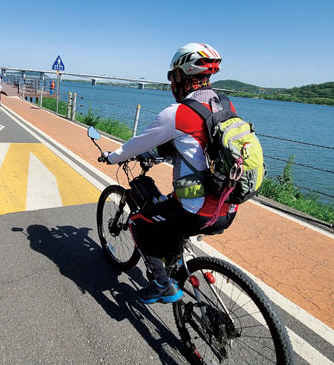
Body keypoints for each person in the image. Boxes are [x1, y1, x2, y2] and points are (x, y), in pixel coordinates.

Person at [101, 43, 239, 304]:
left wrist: (113, 157)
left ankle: (163, 285)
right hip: (228, 206)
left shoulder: (177, 113)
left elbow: (134, 145)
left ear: (181, 75)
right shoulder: (224, 105)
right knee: (167, 208)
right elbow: (198, 147)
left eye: (171, 75)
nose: (171, 82)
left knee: (138, 222)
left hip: (197, 212)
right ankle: (173, 260)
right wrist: (159, 154)